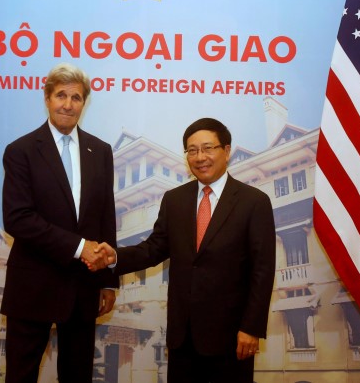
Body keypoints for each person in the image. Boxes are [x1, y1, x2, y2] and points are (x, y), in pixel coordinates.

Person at [90, 118, 276, 382]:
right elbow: (154, 249)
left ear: (226, 150)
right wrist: (115, 257)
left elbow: (263, 270)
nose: (200, 157)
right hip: (183, 337)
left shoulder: (254, 202)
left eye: (208, 148)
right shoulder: (174, 200)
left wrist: (251, 328)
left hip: (232, 338)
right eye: (192, 150)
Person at [1, 63, 118, 383]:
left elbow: (106, 215)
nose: (68, 104)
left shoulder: (101, 151)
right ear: (47, 98)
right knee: (20, 376)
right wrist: (80, 248)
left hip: (83, 286)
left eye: (76, 97)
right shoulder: (20, 151)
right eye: (61, 95)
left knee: (77, 375)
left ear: (85, 102)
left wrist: (108, 278)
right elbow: (17, 218)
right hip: (32, 285)